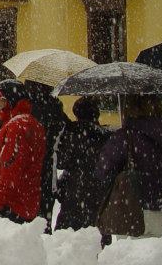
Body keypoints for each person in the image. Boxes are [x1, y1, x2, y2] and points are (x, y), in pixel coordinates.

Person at [96, 94, 162, 239]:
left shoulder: (125, 135)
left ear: (130, 108)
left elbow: (103, 169)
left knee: (129, 258)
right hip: (160, 208)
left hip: (130, 206)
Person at [0, 79, 47, 223]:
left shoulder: (18, 126)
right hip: (21, 202)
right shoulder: (23, 122)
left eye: (0, 102)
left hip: (12, 206)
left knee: (9, 245)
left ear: (10, 100)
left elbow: (11, 170)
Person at [53, 96, 109, 231]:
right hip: (98, 192)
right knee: (96, 236)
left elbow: (61, 161)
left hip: (74, 191)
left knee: (67, 240)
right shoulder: (106, 136)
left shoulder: (73, 133)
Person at [22, 79, 68, 231]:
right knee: (47, 196)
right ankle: (45, 226)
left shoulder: (27, 105)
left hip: (29, 160)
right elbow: (64, 128)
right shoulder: (54, 105)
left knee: (30, 195)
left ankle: (31, 229)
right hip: (48, 159)